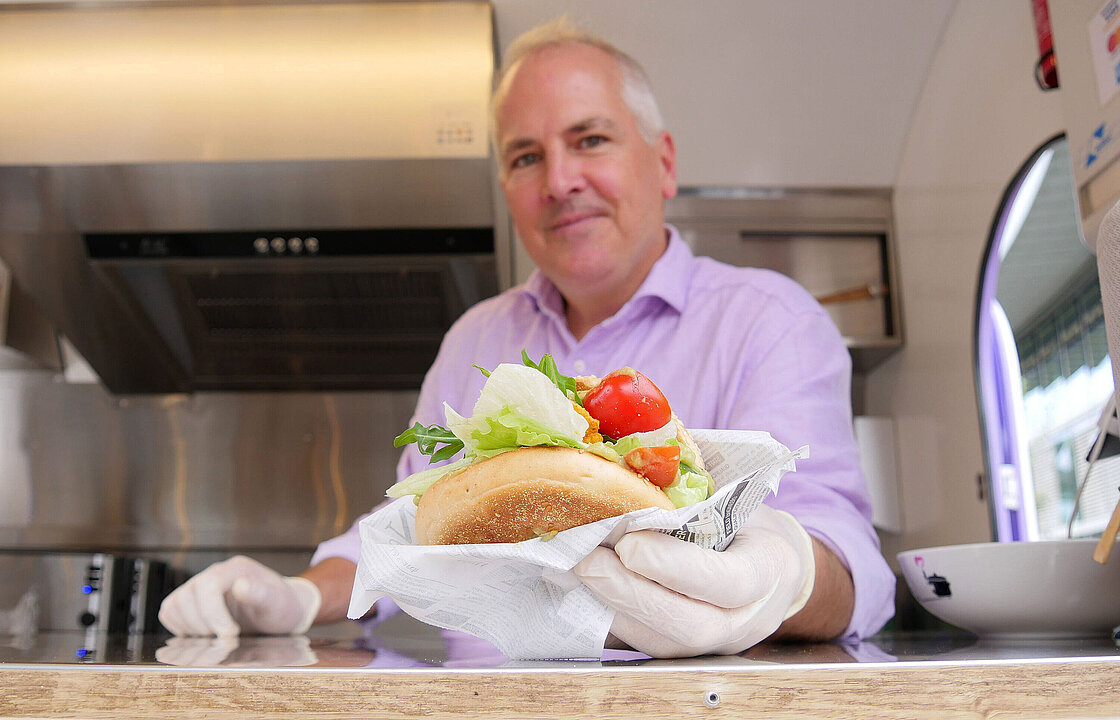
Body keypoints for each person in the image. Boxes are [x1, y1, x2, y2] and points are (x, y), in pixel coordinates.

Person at [158, 18, 895, 657]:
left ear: (664, 162)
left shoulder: (771, 321)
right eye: (525, 157)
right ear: (508, 191)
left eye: (590, 139)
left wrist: (782, 575)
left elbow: (848, 561)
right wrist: (293, 596)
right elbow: (402, 535)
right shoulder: (474, 340)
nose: (559, 181)